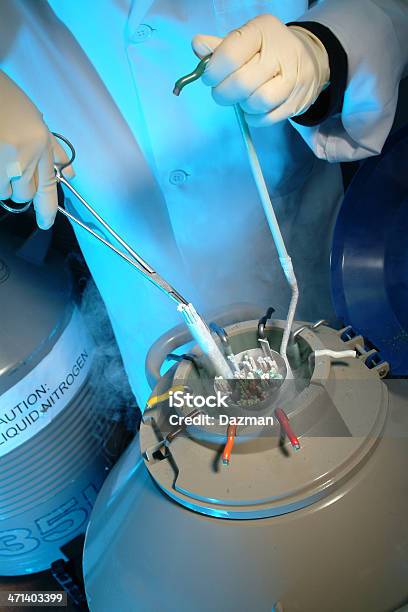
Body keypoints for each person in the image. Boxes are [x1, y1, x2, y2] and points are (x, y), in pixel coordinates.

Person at [0, 0, 407, 407]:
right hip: (149, 310)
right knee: (194, 449)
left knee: (345, 421)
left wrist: (323, 47)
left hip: (320, 279)